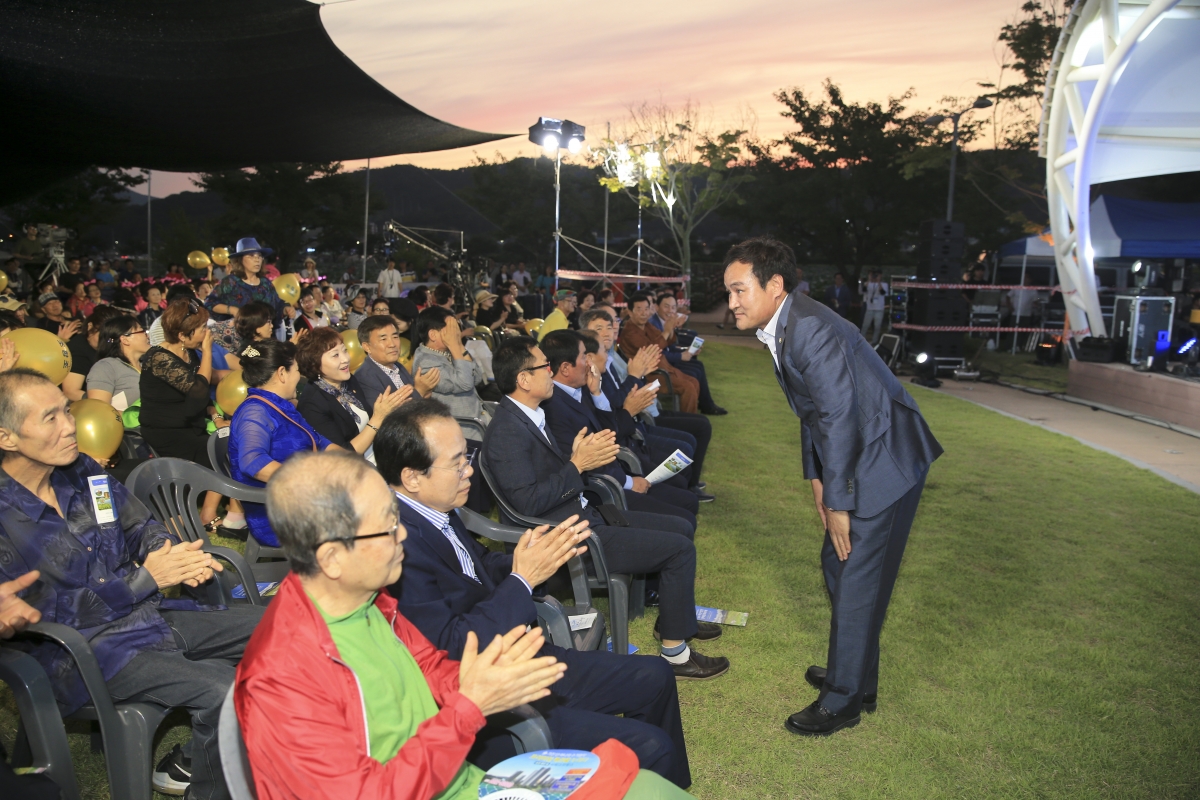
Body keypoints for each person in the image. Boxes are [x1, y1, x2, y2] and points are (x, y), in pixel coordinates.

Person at [234, 451, 695, 799]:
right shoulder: (283, 677)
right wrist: (469, 708)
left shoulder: (367, 602)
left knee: (648, 778)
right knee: (645, 772)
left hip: (458, 774)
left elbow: (431, 666)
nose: (402, 535)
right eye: (387, 528)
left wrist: (489, 680)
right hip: (449, 774)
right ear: (332, 557)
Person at [377, 400, 693, 787]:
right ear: (412, 477)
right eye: (457, 463)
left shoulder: (434, 510)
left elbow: (478, 566)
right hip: (493, 701)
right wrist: (522, 579)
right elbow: (452, 646)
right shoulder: (396, 550)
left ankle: (664, 790)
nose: (469, 470)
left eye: (466, 458)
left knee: (656, 675)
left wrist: (538, 555)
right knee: (652, 745)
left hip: (522, 657)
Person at [0, 368, 264, 800]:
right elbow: (42, 613)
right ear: (6, 437)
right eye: (50, 418)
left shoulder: (84, 472)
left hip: (150, 617)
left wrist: (169, 555)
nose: (69, 426)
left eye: (67, 410)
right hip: (81, 652)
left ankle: (195, 759)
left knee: (278, 629)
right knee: (224, 689)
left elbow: (139, 525)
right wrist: (146, 581)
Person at [724, 236, 942, 736]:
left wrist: (840, 503)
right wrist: (818, 479)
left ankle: (844, 699)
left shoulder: (809, 328)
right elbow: (814, 413)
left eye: (739, 290)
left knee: (855, 571)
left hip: (884, 455)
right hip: (860, 453)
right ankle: (856, 672)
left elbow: (840, 417)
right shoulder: (788, 322)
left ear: (774, 285)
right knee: (838, 563)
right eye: (729, 292)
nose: (731, 302)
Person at [482, 337, 728, 679]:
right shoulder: (507, 431)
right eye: (544, 366)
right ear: (523, 379)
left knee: (682, 527)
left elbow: (544, 479)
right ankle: (675, 653)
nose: (550, 372)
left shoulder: (529, 415)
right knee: (680, 550)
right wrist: (576, 465)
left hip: (582, 517)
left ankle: (675, 619)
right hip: (569, 537)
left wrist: (575, 460)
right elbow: (527, 502)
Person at [540, 329, 699, 527]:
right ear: (565, 368)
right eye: (583, 357)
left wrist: (597, 393)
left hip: (619, 467)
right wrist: (630, 483)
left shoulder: (580, 388)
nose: (589, 362)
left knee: (685, 494)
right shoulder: (554, 407)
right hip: (605, 490)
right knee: (685, 516)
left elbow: (607, 432)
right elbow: (590, 461)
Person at [582, 307, 713, 497]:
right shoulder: (594, 369)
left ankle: (686, 488)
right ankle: (684, 491)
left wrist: (640, 377)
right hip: (630, 432)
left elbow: (623, 396)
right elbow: (616, 404)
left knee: (695, 433)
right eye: (599, 328)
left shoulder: (609, 357)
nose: (608, 332)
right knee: (687, 446)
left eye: (611, 325)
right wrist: (635, 376)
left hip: (639, 420)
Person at [227, 339, 341, 548]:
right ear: (281, 373)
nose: (299, 376)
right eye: (296, 370)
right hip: (280, 515)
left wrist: (352, 464)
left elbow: (319, 441)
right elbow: (253, 462)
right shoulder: (255, 412)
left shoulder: (280, 406)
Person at [295, 327, 407, 463]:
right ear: (315, 364)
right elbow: (342, 455)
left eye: (344, 350)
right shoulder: (312, 404)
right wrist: (378, 418)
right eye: (335, 355)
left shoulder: (348, 381)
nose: (346, 359)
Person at [138, 298, 214, 465]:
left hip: (191, 426)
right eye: (202, 328)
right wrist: (207, 351)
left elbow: (203, 390)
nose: (207, 332)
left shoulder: (188, 351)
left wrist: (217, 417)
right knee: (214, 453)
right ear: (182, 335)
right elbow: (198, 391)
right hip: (167, 432)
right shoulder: (159, 358)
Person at [617, 295, 700, 415]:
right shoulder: (629, 332)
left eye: (646, 309)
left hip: (666, 369)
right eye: (639, 309)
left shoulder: (647, 325)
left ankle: (691, 417)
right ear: (630, 312)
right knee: (688, 387)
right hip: (652, 376)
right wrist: (666, 331)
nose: (644, 313)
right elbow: (652, 350)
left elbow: (666, 341)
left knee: (694, 381)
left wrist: (671, 326)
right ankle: (689, 420)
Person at [645, 293, 725, 416]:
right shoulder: (652, 325)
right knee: (694, 373)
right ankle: (699, 409)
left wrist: (686, 350)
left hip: (666, 362)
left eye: (673, 307)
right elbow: (658, 352)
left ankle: (704, 405)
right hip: (660, 369)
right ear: (656, 307)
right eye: (666, 306)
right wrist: (681, 355)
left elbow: (669, 347)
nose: (670, 310)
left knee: (698, 366)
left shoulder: (665, 321)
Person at [349, 315, 440, 410]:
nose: (392, 344)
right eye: (383, 339)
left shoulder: (397, 366)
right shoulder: (364, 378)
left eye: (395, 337)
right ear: (367, 347)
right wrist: (420, 391)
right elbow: (387, 416)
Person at [411, 308, 486, 420]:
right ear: (433, 335)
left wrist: (459, 345)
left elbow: (478, 378)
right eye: (451, 329)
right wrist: (455, 346)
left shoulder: (449, 351)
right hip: (463, 424)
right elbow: (465, 384)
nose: (456, 332)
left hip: (479, 416)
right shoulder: (425, 363)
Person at [86, 313, 150, 425]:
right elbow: (99, 410)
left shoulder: (148, 366)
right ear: (125, 339)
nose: (147, 336)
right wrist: (137, 418)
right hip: (127, 434)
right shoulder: (106, 367)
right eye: (142, 331)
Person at [204, 238, 283, 323]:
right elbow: (209, 303)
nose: (257, 260)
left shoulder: (266, 283)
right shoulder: (230, 282)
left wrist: (286, 309)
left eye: (259, 256)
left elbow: (278, 305)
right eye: (251, 255)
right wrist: (233, 310)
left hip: (264, 330)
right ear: (240, 260)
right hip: (237, 330)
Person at [62, 305, 121, 401]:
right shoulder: (78, 349)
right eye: (102, 337)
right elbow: (70, 391)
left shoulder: (113, 346)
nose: (106, 342)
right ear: (90, 327)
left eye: (111, 339)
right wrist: (103, 401)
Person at [859, 269, 888, 345]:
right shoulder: (868, 284)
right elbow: (863, 290)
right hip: (870, 308)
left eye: (877, 275)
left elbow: (883, 293)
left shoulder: (884, 284)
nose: (875, 276)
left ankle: (874, 341)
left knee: (877, 326)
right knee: (865, 325)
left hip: (879, 309)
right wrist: (869, 280)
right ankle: (860, 340)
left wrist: (878, 283)